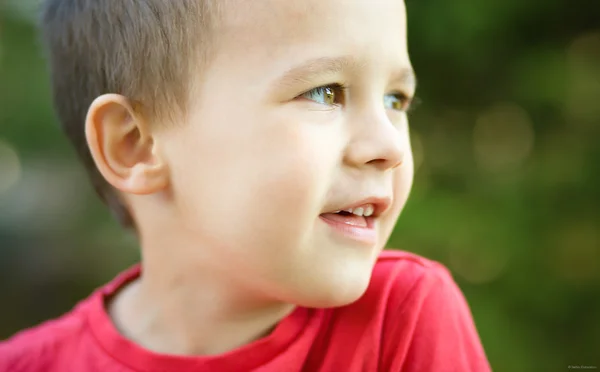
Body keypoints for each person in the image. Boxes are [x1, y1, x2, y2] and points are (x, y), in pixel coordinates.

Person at [0, 0, 492, 371]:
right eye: (326, 92)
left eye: (396, 99)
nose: (390, 145)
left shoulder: (399, 322)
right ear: (135, 145)